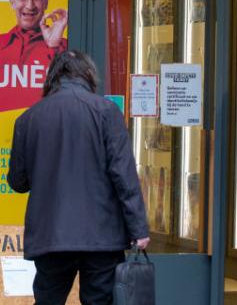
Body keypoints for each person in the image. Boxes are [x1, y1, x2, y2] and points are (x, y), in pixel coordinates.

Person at [8, 50, 149, 305]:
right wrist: (138, 227)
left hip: (50, 235)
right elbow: (124, 176)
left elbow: (18, 182)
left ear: (53, 77)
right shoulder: (107, 112)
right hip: (102, 236)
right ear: (88, 75)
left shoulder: (28, 119)